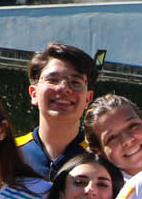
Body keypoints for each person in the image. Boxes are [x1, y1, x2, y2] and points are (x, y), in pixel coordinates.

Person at [16, 42, 98, 178]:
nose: (64, 88)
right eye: (53, 80)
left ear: (88, 99)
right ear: (33, 93)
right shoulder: (9, 153)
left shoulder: (100, 159)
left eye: (75, 82)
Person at [82, 93, 142, 180]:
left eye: (132, 126)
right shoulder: (105, 188)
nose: (127, 140)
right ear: (100, 152)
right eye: (112, 138)